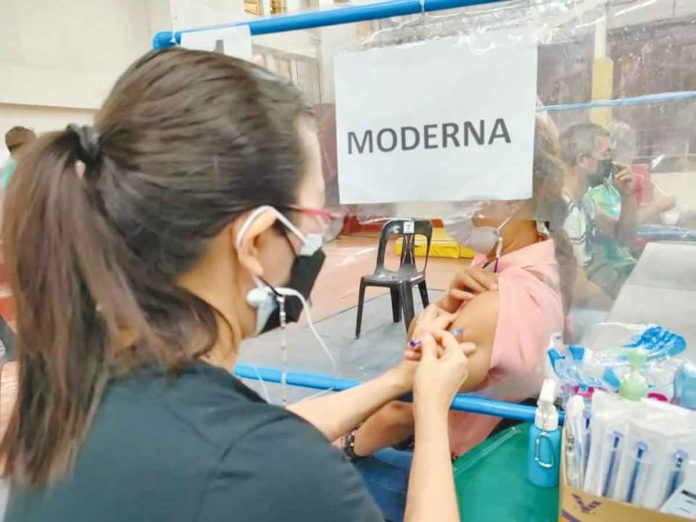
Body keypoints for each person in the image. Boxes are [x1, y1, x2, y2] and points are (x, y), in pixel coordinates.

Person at [0, 49, 473, 522]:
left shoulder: (69, 395)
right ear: (257, 238)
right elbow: (258, 458)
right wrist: (431, 413)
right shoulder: (277, 475)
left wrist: (400, 379)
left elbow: (240, 442)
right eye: (315, 220)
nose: (315, 243)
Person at [345, 118, 575, 459]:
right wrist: (448, 304)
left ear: (515, 197)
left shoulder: (495, 303)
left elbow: (406, 404)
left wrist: (346, 446)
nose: (458, 207)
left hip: (459, 464)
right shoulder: (538, 258)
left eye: (470, 195)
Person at [560, 123, 638, 307]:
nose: (613, 163)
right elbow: (578, 291)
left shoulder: (584, 200)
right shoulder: (564, 211)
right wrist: (625, 308)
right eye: (606, 155)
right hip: (570, 309)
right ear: (582, 161)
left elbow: (623, 237)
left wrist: (626, 196)